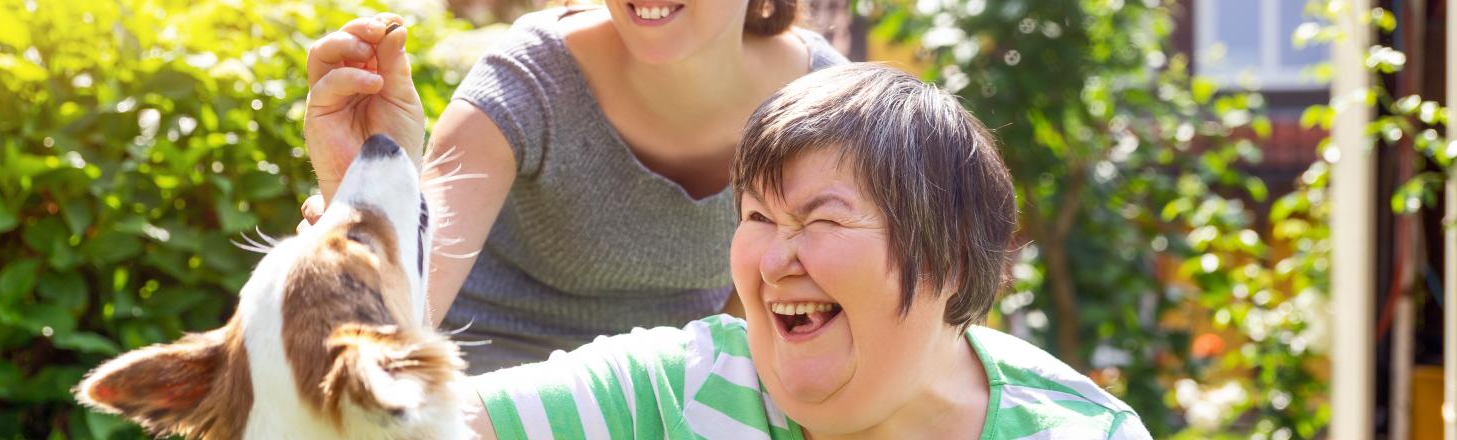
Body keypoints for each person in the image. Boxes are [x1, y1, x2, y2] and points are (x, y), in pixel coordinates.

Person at [462, 63, 1153, 439]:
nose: (772, 260)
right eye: (758, 216)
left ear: (954, 262)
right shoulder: (676, 390)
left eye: (822, 220)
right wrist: (364, 194)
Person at [301, 1, 848, 372]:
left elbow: (753, 342)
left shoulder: (824, 104)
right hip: (476, 377)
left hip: (664, 385)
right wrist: (369, 188)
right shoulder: (530, 76)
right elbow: (397, 322)